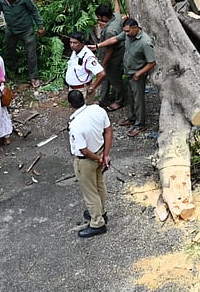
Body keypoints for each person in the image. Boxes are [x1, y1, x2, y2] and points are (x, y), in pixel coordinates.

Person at [93, 17, 155, 137]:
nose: (125, 34)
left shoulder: (145, 42)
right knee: (131, 97)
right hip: (128, 72)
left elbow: (152, 62)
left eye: (127, 31)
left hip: (137, 75)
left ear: (135, 28)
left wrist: (139, 73)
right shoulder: (128, 35)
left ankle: (140, 124)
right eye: (125, 31)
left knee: (138, 100)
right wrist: (98, 46)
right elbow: (115, 39)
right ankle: (132, 118)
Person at [67, 89, 112, 238]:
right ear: (84, 99)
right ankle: (102, 211)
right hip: (99, 151)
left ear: (70, 105)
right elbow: (108, 131)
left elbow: (84, 150)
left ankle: (97, 223)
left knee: (90, 192)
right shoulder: (97, 110)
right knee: (99, 184)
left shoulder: (76, 125)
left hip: (86, 161)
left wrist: (96, 158)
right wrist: (105, 155)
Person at [0, 0, 45, 87]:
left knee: (31, 53)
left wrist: (40, 26)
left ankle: (33, 77)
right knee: (8, 49)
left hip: (26, 29)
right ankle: (13, 71)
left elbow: (34, 11)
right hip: (11, 29)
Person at [94, 0, 125, 112]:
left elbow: (109, 50)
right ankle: (103, 99)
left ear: (104, 17)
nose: (98, 20)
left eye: (99, 18)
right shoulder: (116, 18)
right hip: (114, 54)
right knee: (105, 77)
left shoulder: (110, 31)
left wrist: (104, 64)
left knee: (115, 79)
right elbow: (117, 11)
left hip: (114, 58)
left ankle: (119, 101)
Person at [65, 31, 105, 98]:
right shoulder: (75, 51)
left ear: (82, 43)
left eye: (75, 43)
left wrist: (92, 87)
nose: (72, 45)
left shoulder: (88, 57)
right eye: (71, 42)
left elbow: (102, 73)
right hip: (72, 89)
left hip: (82, 90)